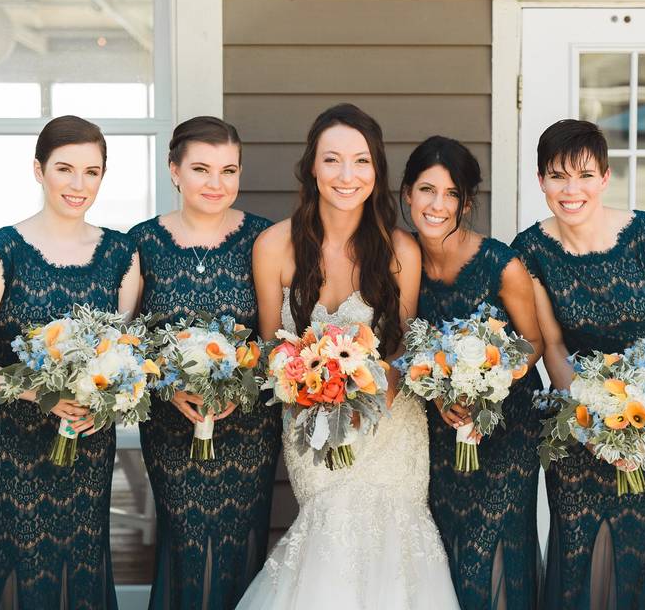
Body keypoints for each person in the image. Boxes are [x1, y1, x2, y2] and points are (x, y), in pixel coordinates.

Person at [238, 104, 459, 609]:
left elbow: (402, 352)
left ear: (376, 171)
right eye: (332, 160)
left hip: (391, 428)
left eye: (360, 161)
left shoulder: (400, 248)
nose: (346, 175)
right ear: (311, 167)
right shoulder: (273, 246)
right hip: (309, 423)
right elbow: (272, 350)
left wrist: (360, 394)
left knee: (395, 545)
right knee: (330, 535)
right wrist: (313, 394)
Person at [0, 115, 140, 609]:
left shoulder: (121, 254)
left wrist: (105, 396)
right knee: (21, 561)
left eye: (92, 172)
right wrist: (46, 393)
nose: (79, 185)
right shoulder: (1, 252)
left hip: (88, 444)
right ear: (38, 170)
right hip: (11, 444)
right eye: (65, 169)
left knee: (83, 560)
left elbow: (119, 355)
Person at [512, 119, 645, 610]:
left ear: (605, 177)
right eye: (557, 176)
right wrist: (591, 421)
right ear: (541, 180)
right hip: (578, 424)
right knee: (580, 558)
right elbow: (551, 347)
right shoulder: (528, 252)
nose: (571, 191)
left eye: (585, 175)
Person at [129, 116, 280, 609]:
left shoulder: (264, 239)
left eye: (228, 170)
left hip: (248, 427)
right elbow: (127, 339)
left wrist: (244, 383)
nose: (217, 184)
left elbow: (277, 336)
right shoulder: (142, 242)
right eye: (201, 169)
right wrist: (167, 385)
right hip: (172, 424)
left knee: (240, 543)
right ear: (174, 171)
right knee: (185, 543)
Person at [401, 135, 545, 609]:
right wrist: (442, 394)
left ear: (466, 202)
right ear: (407, 194)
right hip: (441, 425)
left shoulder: (501, 265)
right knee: (451, 543)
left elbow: (532, 344)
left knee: (493, 541)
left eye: (451, 194)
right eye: (426, 190)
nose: (437, 205)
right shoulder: (401, 263)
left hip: (507, 425)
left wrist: (488, 387)